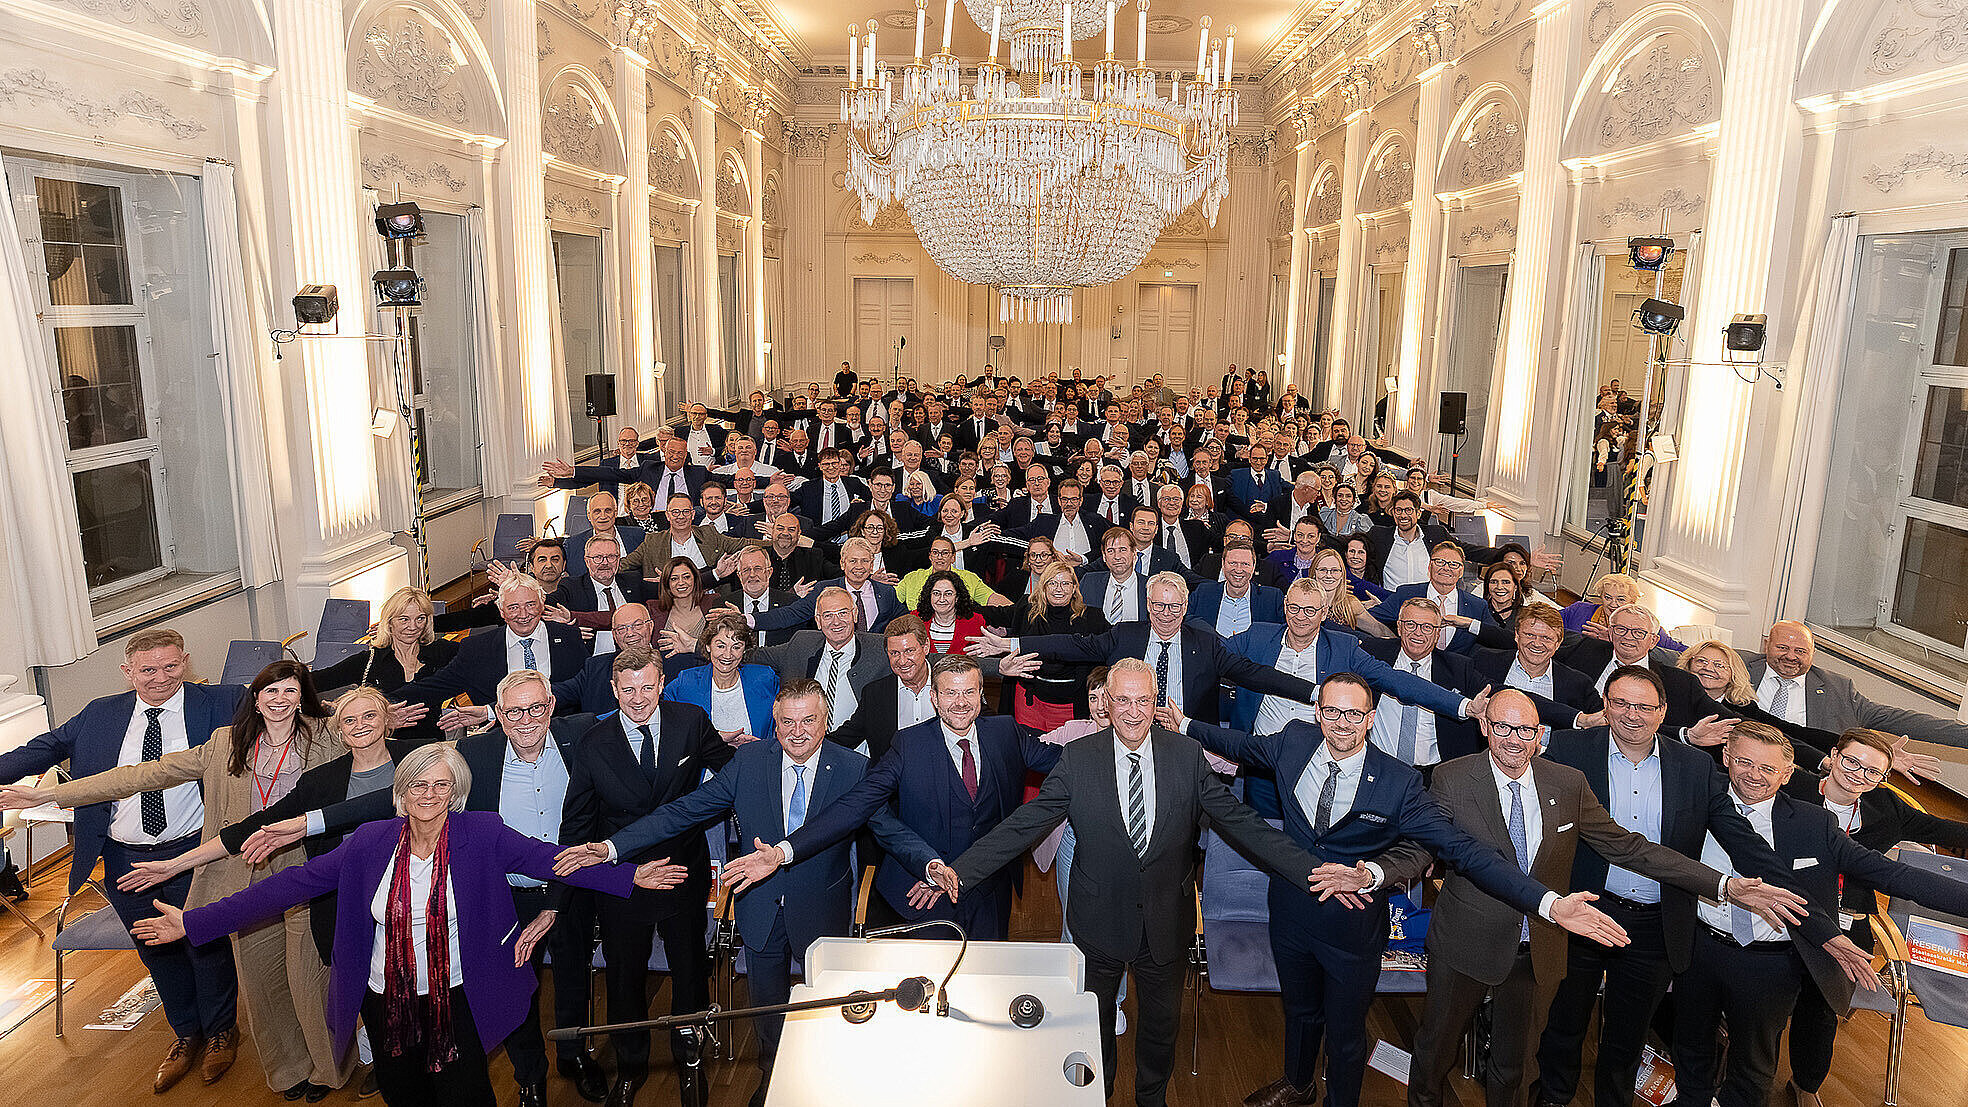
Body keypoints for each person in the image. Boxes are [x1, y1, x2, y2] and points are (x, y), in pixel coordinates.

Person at [1162, 676, 1644, 1107]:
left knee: (1347, 1031)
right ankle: (1298, 1083)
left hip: (1352, 926)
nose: (1343, 723)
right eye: (1333, 711)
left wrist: (1548, 903)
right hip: (1289, 911)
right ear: (1318, 713)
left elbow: (1464, 850)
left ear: (1371, 719)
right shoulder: (1292, 740)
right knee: (1300, 1011)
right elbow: (1241, 745)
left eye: (1354, 714)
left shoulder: (1400, 781)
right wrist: (1184, 725)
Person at [136, 744, 679, 1107]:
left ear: (456, 794)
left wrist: (631, 875)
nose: (429, 794)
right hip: (385, 1001)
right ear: (400, 794)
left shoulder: (483, 833)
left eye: (441, 785)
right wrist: (195, 922)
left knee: (465, 1097)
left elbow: (554, 860)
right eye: (418, 784)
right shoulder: (368, 842)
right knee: (405, 1096)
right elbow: (289, 886)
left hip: (459, 996)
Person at [933, 660, 1324, 1107]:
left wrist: (1312, 871)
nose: (1133, 712)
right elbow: (1024, 824)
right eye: (1122, 700)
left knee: (1160, 1030)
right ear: (1106, 701)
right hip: (1097, 924)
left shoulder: (1186, 755)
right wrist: (961, 870)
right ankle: (1097, 1096)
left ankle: (1150, 1099)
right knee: (1092, 1027)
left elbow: (1242, 823)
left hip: (1165, 924)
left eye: (1143, 701)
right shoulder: (1078, 759)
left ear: (1156, 701)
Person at [1405, 690, 1784, 1107]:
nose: (1514, 739)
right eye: (1503, 728)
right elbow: (1432, 845)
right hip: (1466, 943)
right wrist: (1379, 872)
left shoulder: (1567, 782)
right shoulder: (1451, 777)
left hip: (1539, 947)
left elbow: (1627, 846)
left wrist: (1723, 885)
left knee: (1517, 1067)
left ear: (1539, 734)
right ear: (1484, 726)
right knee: (1435, 1053)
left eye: (1525, 730)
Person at [555, 679, 912, 1107]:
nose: (797, 732)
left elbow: (889, 829)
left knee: (824, 1006)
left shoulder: (854, 769)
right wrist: (612, 847)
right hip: (759, 907)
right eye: (787, 722)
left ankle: (821, 1080)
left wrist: (930, 864)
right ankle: (771, 1076)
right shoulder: (749, 762)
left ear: (826, 721)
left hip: (821, 908)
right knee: (766, 1009)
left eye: (808, 721)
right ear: (775, 723)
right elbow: (682, 811)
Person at [3, 661, 351, 1099]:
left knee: (308, 979)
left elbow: (371, 746)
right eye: (271, 692)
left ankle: (328, 1069)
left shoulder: (326, 736)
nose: (280, 700)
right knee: (261, 983)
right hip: (243, 870)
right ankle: (289, 1070)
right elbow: (138, 776)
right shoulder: (225, 742)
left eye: (290, 691)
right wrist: (48, 794)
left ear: (303, 697)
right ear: (256, 699)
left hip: (307, 868)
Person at [1532, 668, 1820, 1107]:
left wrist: (1809, 915)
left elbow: (1739, 837)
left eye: (1645, 706)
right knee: (1564, 1021)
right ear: (1605, 705)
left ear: (1663, 712)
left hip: (1656, 924)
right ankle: (1554, 1096)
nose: (1632, 714)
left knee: (1628, 1034)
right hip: (1585, 910)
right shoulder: (1568, 751)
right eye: (1621, 703)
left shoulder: (1694, 765)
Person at [1669, 722, 1968, 1107]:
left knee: (1753, 1066)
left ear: (1787, 774)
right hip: (1697, 945)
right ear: (1726, 758)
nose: (1755, 775)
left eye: (1768, 768)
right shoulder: (1695, 797)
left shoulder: (1814, 823)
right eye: (1744, 762)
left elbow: (1893, 874)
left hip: (1768, 964)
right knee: (1690, 1044)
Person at [0, 628, 244, 1092]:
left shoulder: (221, 702)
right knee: (155, 950)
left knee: (205, 944)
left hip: (194, 852)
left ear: (186, 662)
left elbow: (286, 719)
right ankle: (186, 1034)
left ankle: (221, 1033)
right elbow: (41, 751)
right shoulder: (101, 714)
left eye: (170, 666)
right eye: (148, 670)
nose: (161, 678)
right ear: (127, 672)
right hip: (124, 858)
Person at [721, 656, 1060, 941]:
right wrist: (784, 851)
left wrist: (1093, 737)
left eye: (969, 692)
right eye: (950, 693)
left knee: (988, 983)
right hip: (927, 894)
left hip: (992, 891)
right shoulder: (909, 744)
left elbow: (1066, 763)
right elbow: (856, 805)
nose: (960, 702)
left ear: (981, 694)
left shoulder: (1006, 732)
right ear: (934, 697)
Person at [559, 649, 735, 1107]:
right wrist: (565, 891)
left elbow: (732, 773)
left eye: (647, 687)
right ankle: (631, 1067)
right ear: (613, 690)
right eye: (628, 689)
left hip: (682, 870)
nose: (638, 698)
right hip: (624, 880)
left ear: (661, 685)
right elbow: (578, 823)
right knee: (623, 979)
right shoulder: (593, 743)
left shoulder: (691, 721)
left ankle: (689, 1060)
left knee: (690, 971)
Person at [1780, 727, 1968, 1107]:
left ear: (1882, 778)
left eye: (1872, 772)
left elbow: (1946, 829)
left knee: (1822, 1009)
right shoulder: (1792, 789)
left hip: (1848, 917)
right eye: (1852, 762)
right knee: (1766, 1001)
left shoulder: (1887, 808)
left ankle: (1805, 1084)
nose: (1859, 775)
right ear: (1833, 756)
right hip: (1785, 909)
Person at [1742, 620, 1968, 749]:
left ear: (1812, 654)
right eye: (1782, 648)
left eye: (1800, 651)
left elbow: (1895, 718)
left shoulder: (1837, 689)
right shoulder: (1738, 666)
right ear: (1766, 645)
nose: (1791, 656)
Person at [311, 586, 459, 744]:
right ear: (389, 622)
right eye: (404, 619)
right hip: (386, 749)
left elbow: (476, 657)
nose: (413, 626)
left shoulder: (441, 652)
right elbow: (312, 681)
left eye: (420, 619)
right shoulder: (370, 660)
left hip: (432, 748)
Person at [662, 612, 779, 748]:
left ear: (744, 650)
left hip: (755, 759)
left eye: (736, 647)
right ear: (708, 646)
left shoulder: (764, 679)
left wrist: (764, 747)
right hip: (705, 761)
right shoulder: (686, 682)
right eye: (721, 646)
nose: (728, 655)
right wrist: (714, 738)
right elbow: (662, 716)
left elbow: (787, 720)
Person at [915, 568, 985, 655]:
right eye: (936, 593)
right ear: (929, 596)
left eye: (948, 594)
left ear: (957, 597)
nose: (941, 599)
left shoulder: (975, 622)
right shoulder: (915, 619)